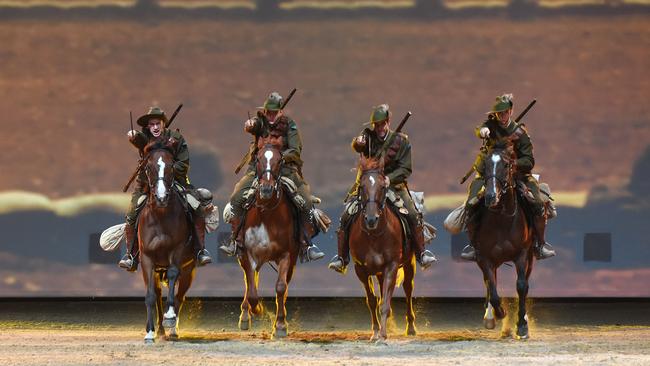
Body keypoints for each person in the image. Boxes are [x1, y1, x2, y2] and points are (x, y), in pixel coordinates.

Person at [328, 104, 437, 273]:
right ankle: (342, 258)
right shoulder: (368, 136)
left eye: (381, 124)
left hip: (394, 186)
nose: (379, 128)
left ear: (388, 122)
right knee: (346, 215)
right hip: (370, 186)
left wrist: (389, 179)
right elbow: (358, 147)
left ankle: (422, 254)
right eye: (376, 125)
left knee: (413, 214)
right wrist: (357, 143)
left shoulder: (402, 141)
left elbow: (406, 168)